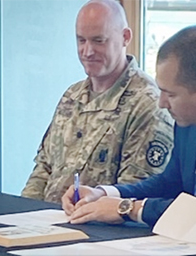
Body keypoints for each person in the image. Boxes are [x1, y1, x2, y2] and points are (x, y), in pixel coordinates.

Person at [62, 25, 196, 244]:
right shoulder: (191, 115)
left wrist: (128, 208)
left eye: (171, 94)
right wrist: (106, 193)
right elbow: (171, 182)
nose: (161, 103)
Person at [21, 0, 174, 204]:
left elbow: (135, 193)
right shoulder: (71, 96)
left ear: (125, 37)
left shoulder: (146, 103)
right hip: (46, 224)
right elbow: (43, 169)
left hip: (101, 228)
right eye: (81, 40)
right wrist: (23, 213)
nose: (87, 51)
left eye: (98, 41)